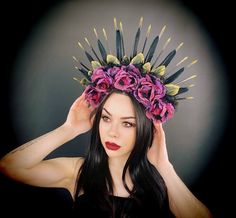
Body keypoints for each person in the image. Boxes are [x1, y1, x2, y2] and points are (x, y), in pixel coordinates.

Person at [0, 17, 212, 218]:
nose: (112, 132)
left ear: (146, 129)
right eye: (106, 118)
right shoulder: (78, 172)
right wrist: (69, 129)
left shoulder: (163, 182)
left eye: (127, 123)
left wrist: (164, 167)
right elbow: (10, 166)